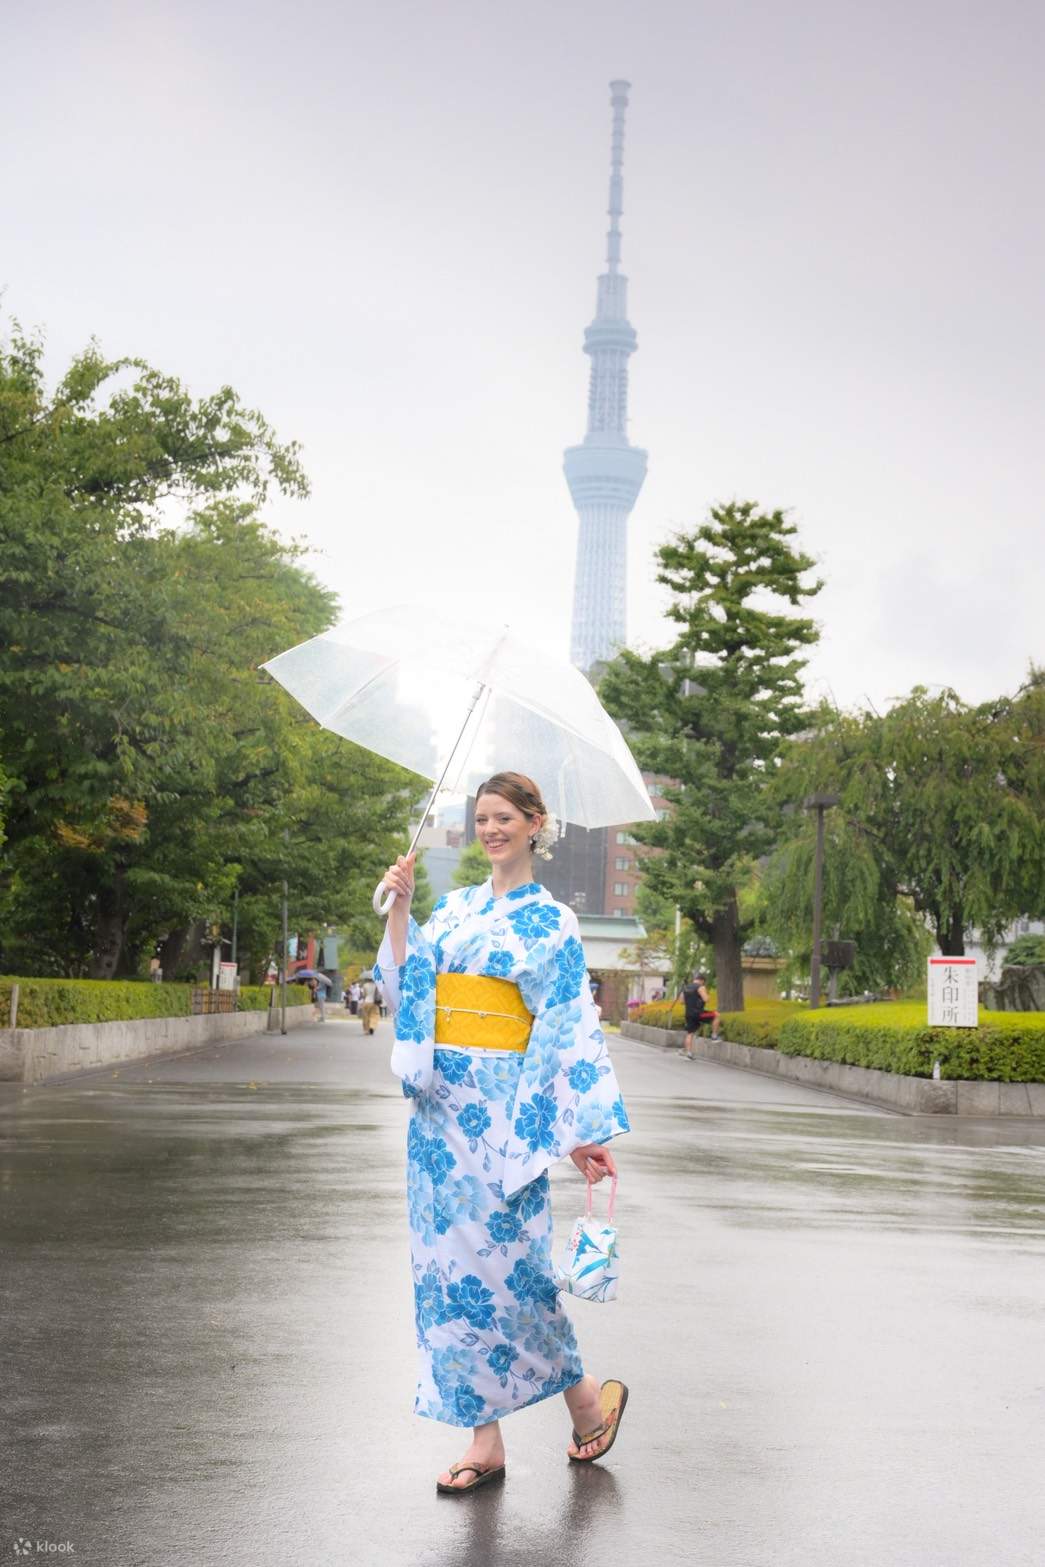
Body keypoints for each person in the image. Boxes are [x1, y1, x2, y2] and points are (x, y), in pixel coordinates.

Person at [376, 771, 630, 1495]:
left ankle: (584, 1401)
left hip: (503, 1118)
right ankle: (483, 1440)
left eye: (503, 818)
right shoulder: (452, 909)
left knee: (513, 1275)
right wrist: (398, 911)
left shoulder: (552, 922)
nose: (489, 829)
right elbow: (406, 989)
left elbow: (563, 1030)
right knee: (448, 1278)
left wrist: (577, 1132)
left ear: (532, 824)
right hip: (437, 1117)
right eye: (481, 817)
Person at [681, 970, 719, 1058]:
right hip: (699, 1014)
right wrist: (707, 995)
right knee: (716, 1015)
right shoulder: (701, 987)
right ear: (702, 980)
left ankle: (688, 1052)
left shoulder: (686, 987)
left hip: (688, 1014)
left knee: (690, 1033)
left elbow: (682, 1002)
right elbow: (706, 999)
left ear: (694, 979)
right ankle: (714, 1036)